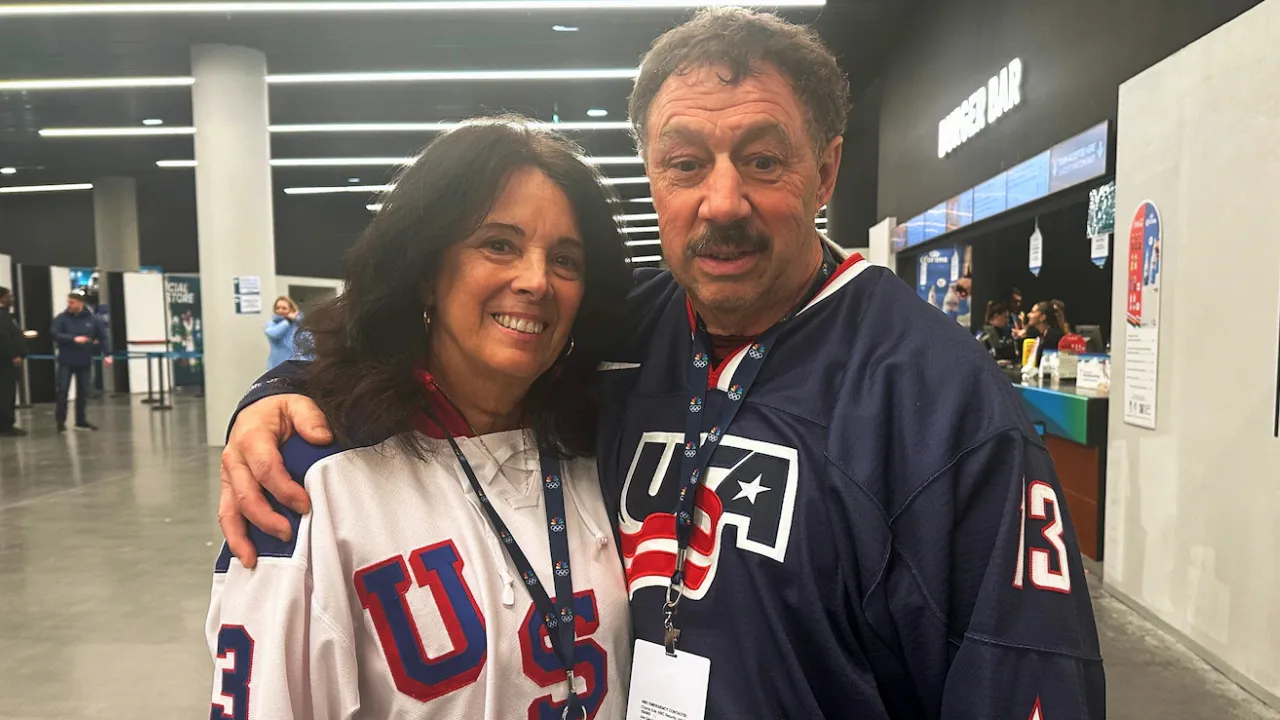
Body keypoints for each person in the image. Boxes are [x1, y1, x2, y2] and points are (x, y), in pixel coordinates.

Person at [217, 9, 1104, 719]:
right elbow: (436, 358)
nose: (722, 201)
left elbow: (1026, 674)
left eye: (762, 159)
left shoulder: (940, 398)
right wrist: (278, 394)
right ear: (652, 175)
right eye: (686, 163)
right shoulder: (612, 336)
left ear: (827, 169)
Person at [206, 119, 634, 718]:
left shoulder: (602, 446)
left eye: (565, 260)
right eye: (499, 244)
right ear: (427, 273)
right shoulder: (311, 477)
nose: (537, 280)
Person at [51, 292, 110, 432]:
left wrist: (107, 354)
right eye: (68, 302)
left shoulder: (93, 319)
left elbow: (103, 337)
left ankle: (81, 421)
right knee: (62, 391)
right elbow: (54, 334)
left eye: (72, 302)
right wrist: (73, 339)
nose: (69, 305)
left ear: (80, 303)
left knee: (83, 391)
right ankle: (60, 422)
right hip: (66, 360)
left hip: (84, 360)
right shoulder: (62, 318)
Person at [0, 287, 28, 436]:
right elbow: (3, 338)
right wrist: (13, 355)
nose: (12, 299)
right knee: (6, 392)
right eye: (8, 296)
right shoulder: (2, 316)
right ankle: (6, 425)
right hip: (5, 363)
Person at [265, 296, 302, 369]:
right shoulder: (271, 324)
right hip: (277, 367)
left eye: (284, 308)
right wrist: (288, 321)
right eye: (277, 308)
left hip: (296, 366)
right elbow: (274, 334)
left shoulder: (298, 325)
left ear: (291, 310)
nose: (280, 310)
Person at [1027, 300, 1067, 367]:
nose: (1028, 315)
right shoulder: (1040, 336)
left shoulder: (1054, 338)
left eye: (1032, 312)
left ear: (1042, 317)